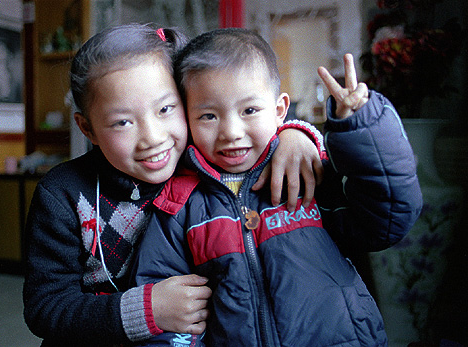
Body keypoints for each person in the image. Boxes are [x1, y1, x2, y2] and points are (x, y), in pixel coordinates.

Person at [22, 24, 323, 346]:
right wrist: (146, 309)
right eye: (123, 122)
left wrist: (294, 134)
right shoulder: (63, 193)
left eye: (166, 109)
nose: (153, 138)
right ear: (88, 128)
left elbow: (247, 130)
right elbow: (45, 307)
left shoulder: (203, 166)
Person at [133, 28, 422, 346]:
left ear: (280, 109)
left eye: (249, 110)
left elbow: (387, 220)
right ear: (186, 118)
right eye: (208, 115)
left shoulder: (306, 170)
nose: (231, 132)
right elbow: (168, 312)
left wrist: (361, 126)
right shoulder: (179, 206)